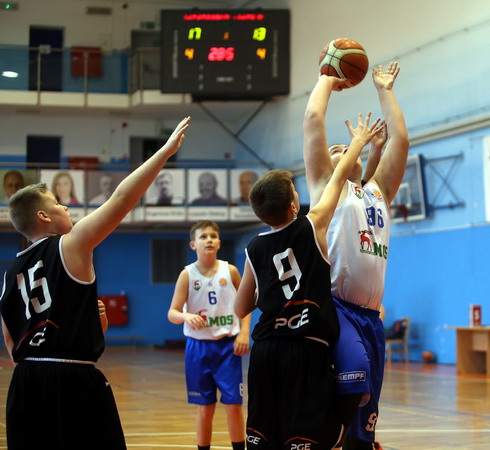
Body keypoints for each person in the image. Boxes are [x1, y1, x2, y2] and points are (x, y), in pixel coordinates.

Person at [0, 116, 191, 449]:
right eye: (57, 203)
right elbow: (121, 199)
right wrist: (164, 152)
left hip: (25, 382)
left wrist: (83, 329)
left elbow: (10, 338)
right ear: (43, 216)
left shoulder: (9, 272)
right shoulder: (71, 244)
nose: (65, 206)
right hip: (72, 378)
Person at [234, 113, 383, 449]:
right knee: (306, 437)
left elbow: (240, 307)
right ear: (293, 205)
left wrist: (270, 292)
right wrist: (358, 143)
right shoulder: (311, 225)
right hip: (305, 345)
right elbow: (337, 180)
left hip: (265, 348)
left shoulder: (254, 247)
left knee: (264, 434)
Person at [303, 63, 409, 449]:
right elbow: (313, 120)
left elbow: (400, 141)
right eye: (336, 150)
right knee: (355, 375)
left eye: (345, 147)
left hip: (370, 317)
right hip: (336, 309)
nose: (343, 150)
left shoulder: (376, 192)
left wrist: (385, 90)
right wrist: (326, 78)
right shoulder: (326, 191)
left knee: (366, 426)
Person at [167, 220, 251, 450]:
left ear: (219, 243)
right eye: (203, 237)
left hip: (228, 347)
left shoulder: (230, 271)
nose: (209, 240)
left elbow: (245, 305)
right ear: (193, 244)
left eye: (213, 236)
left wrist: (244, 333)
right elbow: (172, 313)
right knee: (205, 407)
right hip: (198, 348)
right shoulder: (187, 275)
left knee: (234, 405)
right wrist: (186, 316)